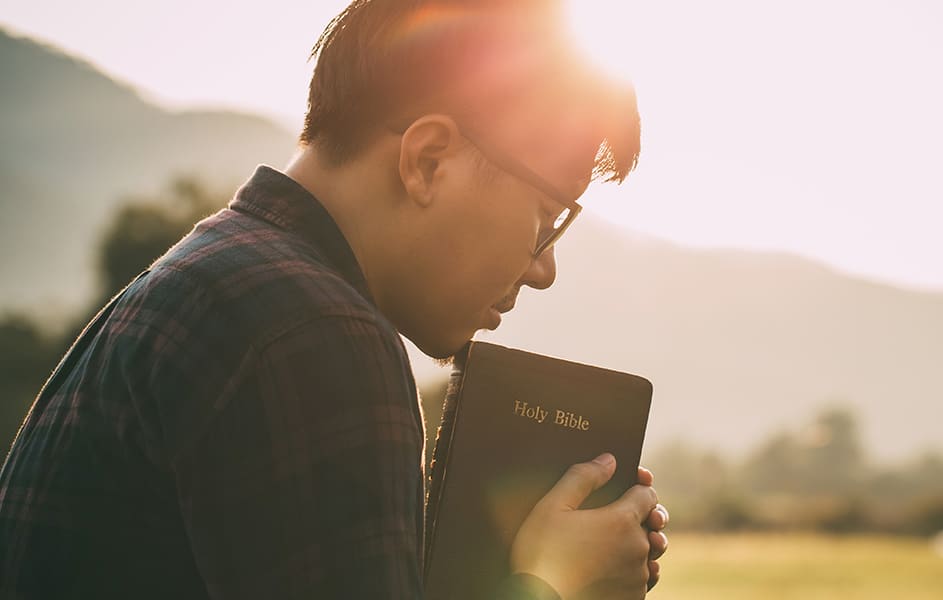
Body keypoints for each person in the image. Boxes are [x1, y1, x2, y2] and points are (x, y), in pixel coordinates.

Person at [0, 0, 668, 598]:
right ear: (429, 159)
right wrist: (551, 585)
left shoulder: (224, 284)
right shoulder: (312, 331)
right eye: (547, 219)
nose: (544, 270)